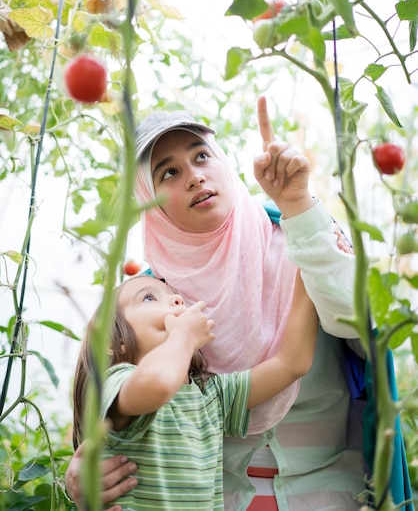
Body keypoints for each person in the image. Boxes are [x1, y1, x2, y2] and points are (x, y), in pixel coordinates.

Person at [65, 96, 412, 511]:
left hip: (333, 491)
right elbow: (113, 414)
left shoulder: (303, 236)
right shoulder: (152, 302)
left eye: (202, 156)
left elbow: (355, 322)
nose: (194, 176)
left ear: (224, 165)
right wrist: (82, 472)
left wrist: (299, 209)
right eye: (169, 173)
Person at [72, 272, 318, 510]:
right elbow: (158, 385)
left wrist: (306, 267)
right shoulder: (114, 382)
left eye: (175, 296)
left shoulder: (209, 397)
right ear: (112, 342)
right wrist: (184, 337)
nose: (177, 300)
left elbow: (292, 363)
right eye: (149, 297)